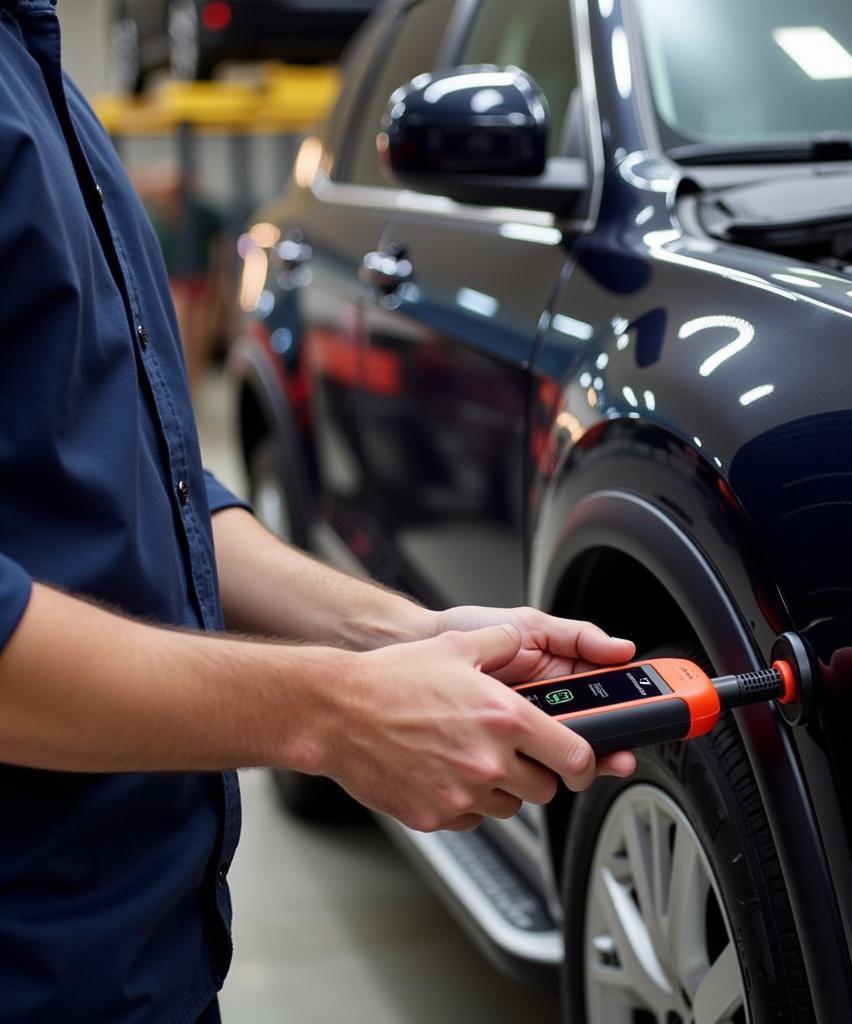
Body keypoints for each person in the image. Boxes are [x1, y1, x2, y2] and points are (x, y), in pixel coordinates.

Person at [0, 3, 636, 1022]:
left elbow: (132, 483)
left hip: (133, 944)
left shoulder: (36, 69)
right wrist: (336, 713)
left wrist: (403, 632)